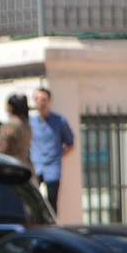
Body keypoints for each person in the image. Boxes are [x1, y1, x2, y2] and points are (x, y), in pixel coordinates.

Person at [27, 86, 75, 218]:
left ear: (49, 101)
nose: (40, 102)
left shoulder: (59, 121)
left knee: (52, 202)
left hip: (52, 168)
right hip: (36, 166)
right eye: (37, 99)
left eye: (43, 99)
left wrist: (58, 155)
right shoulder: (30, 122)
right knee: (32, 199)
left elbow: (71, 143)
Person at [0, 92, 32, 164]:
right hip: (25, 165)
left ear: (10, 107)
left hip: (11, 166)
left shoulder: (9, 125)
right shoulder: (26, 125)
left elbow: (1, 148)